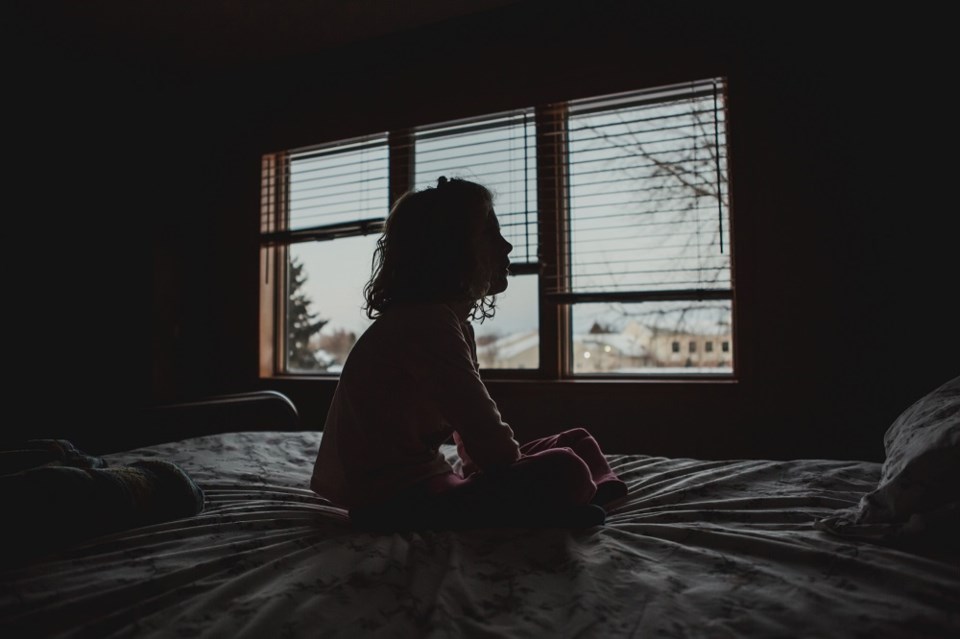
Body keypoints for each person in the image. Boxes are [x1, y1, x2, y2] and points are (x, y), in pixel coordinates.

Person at [310, 176, 627, 530]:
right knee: (565, 468)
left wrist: (489, 469)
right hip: (390, 501)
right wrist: (508, 467)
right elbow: (485, 432)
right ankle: (570, 501)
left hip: (429, 481)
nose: (507, 246)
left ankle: (579, 499)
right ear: (452, 250)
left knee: (576, 442)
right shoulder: (423, 323)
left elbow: (468, 427)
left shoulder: (451, 324)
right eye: (490, 235)